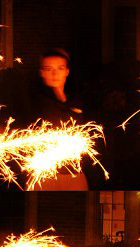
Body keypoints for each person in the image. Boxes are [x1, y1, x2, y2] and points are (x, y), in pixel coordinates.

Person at [33, 48, 90, 190]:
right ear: (42, 73)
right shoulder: (36, 103)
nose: (54, 73)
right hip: (44, 176)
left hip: (74, 175)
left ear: (67, 72)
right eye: (48, 68)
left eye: (60, 68)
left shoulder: (77, 101)